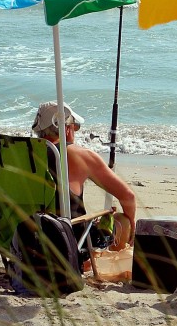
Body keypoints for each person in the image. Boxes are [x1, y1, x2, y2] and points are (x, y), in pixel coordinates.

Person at [31, 101, 137, 238]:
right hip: (66, 239)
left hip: (23, 237)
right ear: (66, 128)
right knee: (122, 222)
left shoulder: (20, 152)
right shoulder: (80, 155)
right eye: (75, 127)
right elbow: (128, 197)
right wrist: (132, 225)